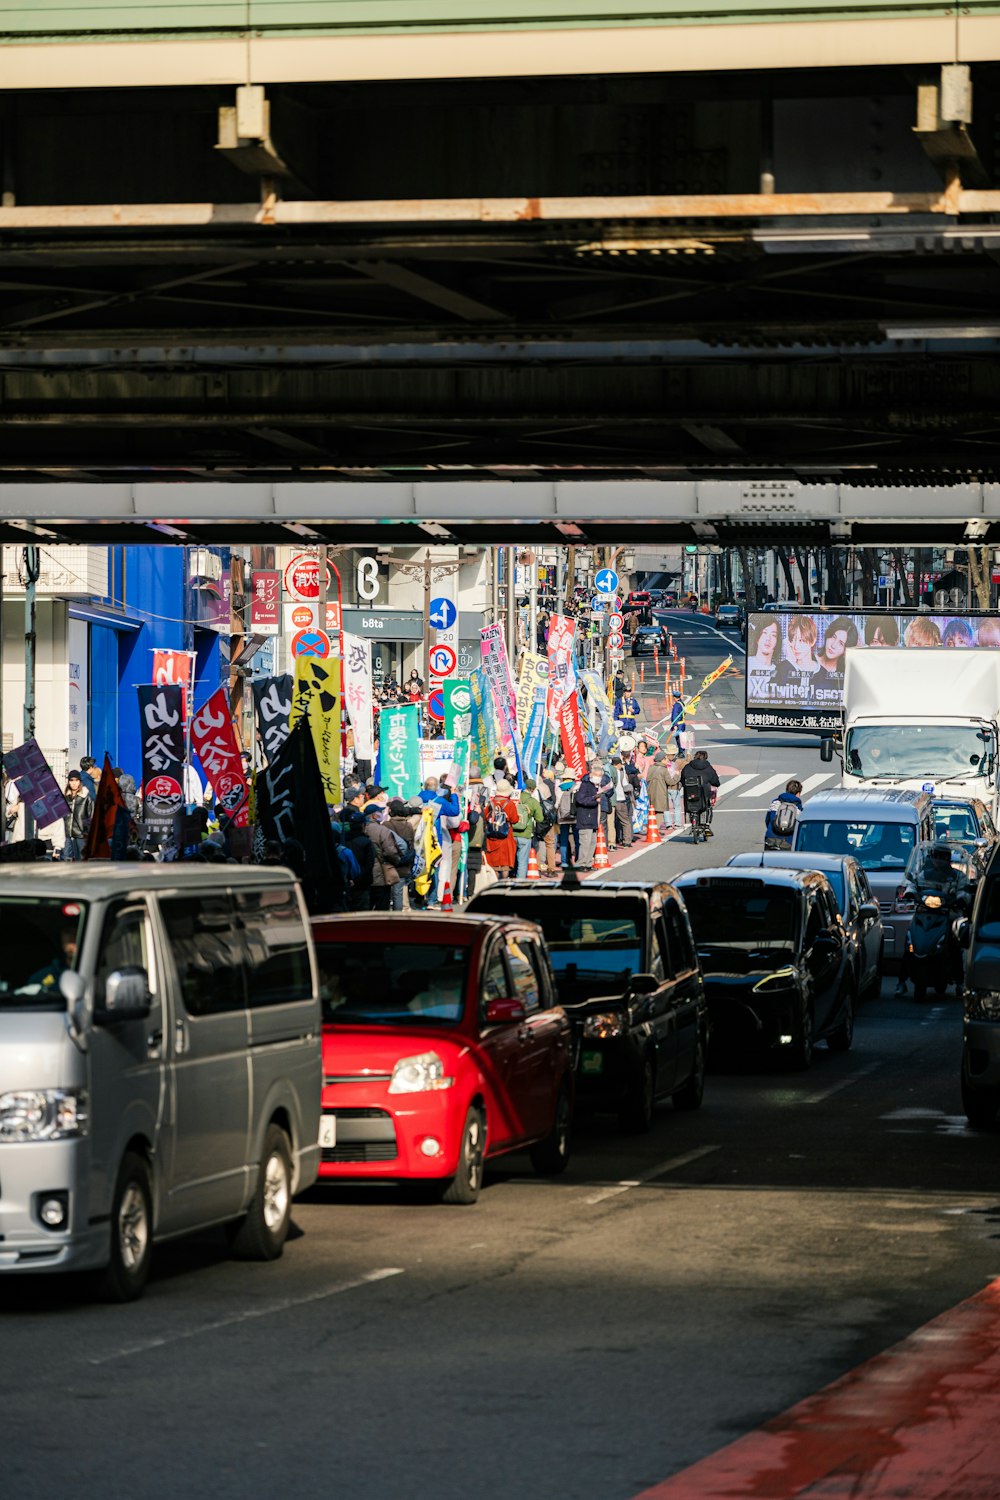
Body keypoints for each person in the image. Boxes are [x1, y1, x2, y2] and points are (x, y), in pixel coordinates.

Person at [366, 802, 404, 910]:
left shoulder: (363, 828)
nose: (381, 814)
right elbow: (390, 851)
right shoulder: (382, 830)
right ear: (374, 815)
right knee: (382, 905)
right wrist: (397, 861)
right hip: (381, 874)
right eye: (380, 812)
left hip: (364, 875)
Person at [26, 920, 79, 990]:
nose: (72, 938)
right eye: (68, 932)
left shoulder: (96, 977)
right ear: (60, 938)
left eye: (77, 932)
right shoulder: (40, 978)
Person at [483, 777, 520, 878]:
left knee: (494, 864)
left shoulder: (490, 803)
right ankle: (504, 884)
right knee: (505, 865)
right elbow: (515, 820)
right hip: (506, 836)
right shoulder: (510, 804)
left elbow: (485, 817)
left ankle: (494, 883)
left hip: (491, 836)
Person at [680, 750, 720, 838]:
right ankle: (706, 825)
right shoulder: (708, 767)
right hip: (704, 793)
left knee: (690, 805)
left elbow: (682, 778)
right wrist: (716, 784)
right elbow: (715, 780)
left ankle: (693, 820)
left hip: (690, 792)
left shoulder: (687, 767)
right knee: (708, 806)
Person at [512, 778, 545, 878]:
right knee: (522, 861)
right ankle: (519, 883)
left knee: (511, 859)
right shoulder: (533, 801)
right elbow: (540, 818)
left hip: (512, 833)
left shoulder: (515, 798)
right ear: (533, 789)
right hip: (525, 833)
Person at [62, 770, 92, 860]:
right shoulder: (65, 797)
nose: (74, 783)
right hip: (66, 833)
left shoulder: (86, 797)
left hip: (81, 834)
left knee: (82, 859)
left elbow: (91, 816)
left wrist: (87, 832)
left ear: (80, 781)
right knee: (66, 858)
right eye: (71, 780)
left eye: (76, 780)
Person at [574, 766, 600, 869]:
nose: (598, 777)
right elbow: (580, 799)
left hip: (592, 818)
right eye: (597, 775)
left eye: (600, 776)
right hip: (585, 818)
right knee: (585, 842)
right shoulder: (585, 785)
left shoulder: (595, 786)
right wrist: (594, 799)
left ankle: (588, 863)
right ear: (591, 775)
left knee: (592, 842)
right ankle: (581, 863)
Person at [765, 779, 804, 848]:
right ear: (798, 793)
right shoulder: (798, 807)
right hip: (787, 841)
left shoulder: (775, 802)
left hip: (770, 838)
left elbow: (767, 820)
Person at [609, 754, 634, 848]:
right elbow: (626, 786)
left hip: (611, 799)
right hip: (620, 799)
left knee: (611, 823)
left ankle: (612, 843)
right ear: (618, 764)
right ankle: (626, 841)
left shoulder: (609, 772)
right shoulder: (621, 773)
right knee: (625, 821)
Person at [555, 771, 579, 868]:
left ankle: (564, 861)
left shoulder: (559, 788)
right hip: (574, 815)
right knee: (577, 838)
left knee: (563, 839)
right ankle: (578, 859)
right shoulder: (576, 787)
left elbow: (557, 804)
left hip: (563, 816)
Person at [646, 750, 671, 832]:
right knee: (659, 812)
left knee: (652, 812)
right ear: (662, 759)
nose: (667, 760)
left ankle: (650, 829)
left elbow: (647, 779)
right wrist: (677, 775)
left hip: (650, 792)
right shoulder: (664, 770)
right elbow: (670, 782)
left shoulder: (651, 767)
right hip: (660, 793)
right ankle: (655, 831)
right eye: (666, 758)